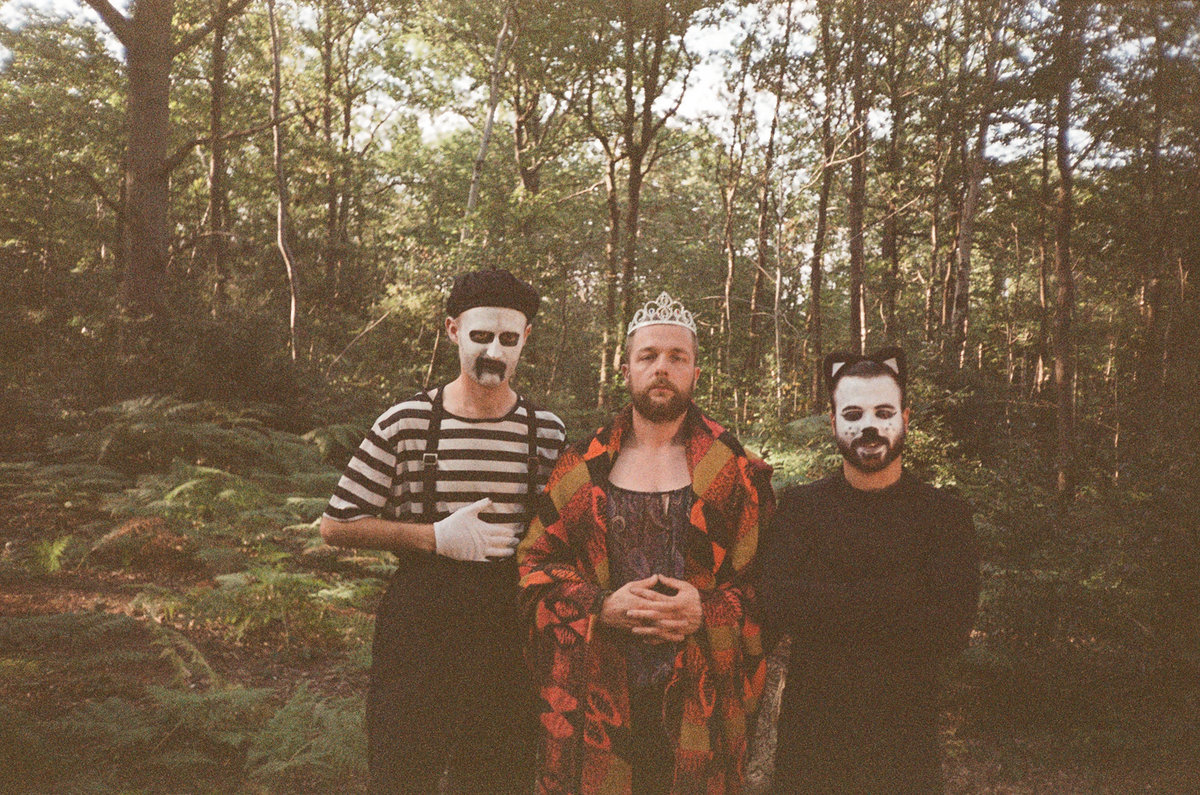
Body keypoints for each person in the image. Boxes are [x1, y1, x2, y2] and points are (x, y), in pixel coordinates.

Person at [320, 269, 567, 794]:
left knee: (499, 776)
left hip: (509, 625)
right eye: (481, 336)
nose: (494, 351)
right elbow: (337, 525)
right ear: (453, 331)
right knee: (403, 772)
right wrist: (432, 537)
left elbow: (565, 537)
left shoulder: (546, 432)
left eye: (508, 338)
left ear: (527, 338)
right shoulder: (406, 422)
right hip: (421, 623)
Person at [517, 292, 774, 795]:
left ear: (695, 372)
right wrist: (599, 606)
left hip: (700, 699)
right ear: (627, 370)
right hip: (597, 691)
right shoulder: (581, 467)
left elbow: (769, 584)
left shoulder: (735, 471)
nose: (662, 368)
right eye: (648, 356)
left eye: (677, 357)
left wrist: (707, 610)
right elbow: (535, 566)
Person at [760, 347, 980, 794]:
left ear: (905, 418)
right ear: (833, 422)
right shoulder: (801, 509)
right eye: (853, 414)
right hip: (811, 750)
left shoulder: (945, 516)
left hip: (905, 750)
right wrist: (903, 595)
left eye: (883, 412)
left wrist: (825, 602)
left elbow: (950, 628)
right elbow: (775, 604)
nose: (869, 426)